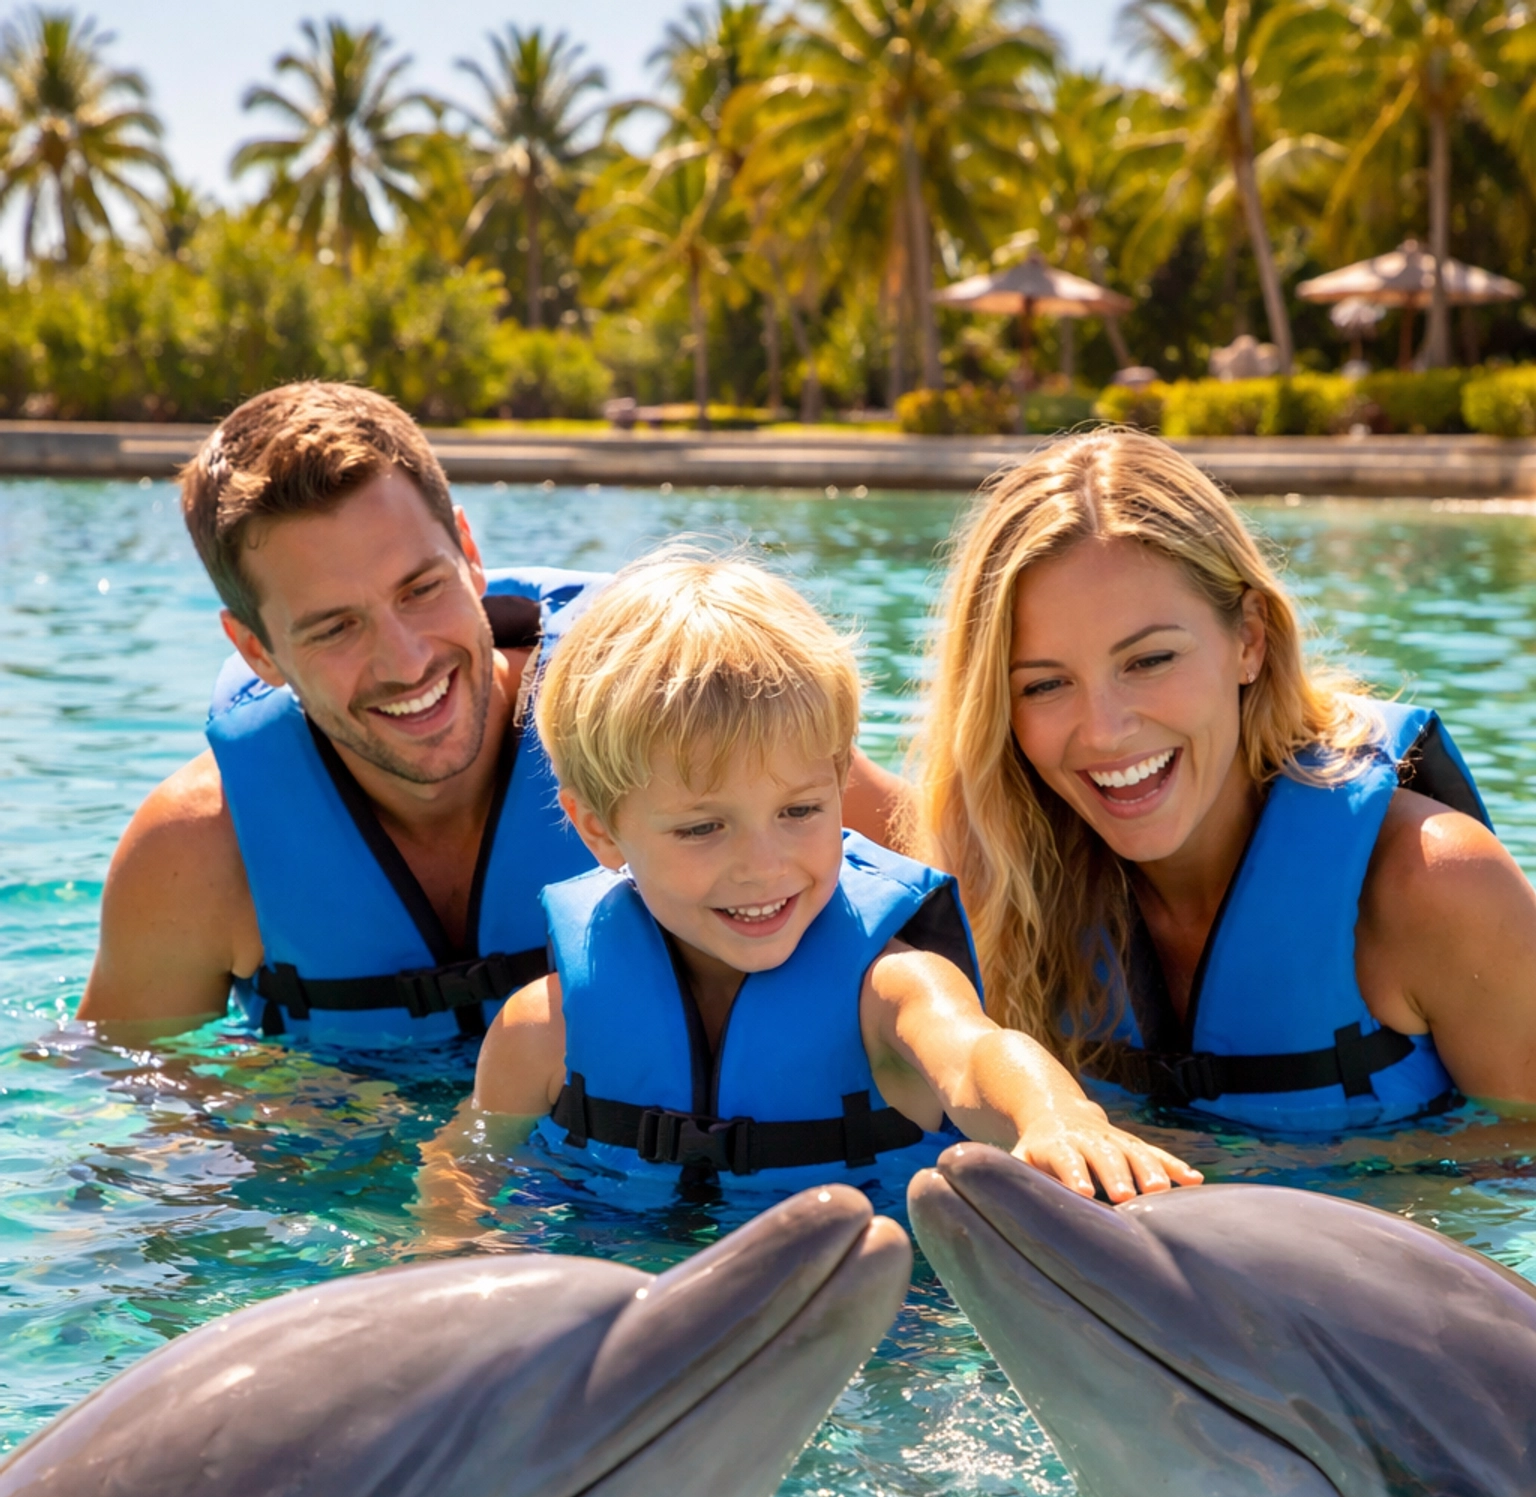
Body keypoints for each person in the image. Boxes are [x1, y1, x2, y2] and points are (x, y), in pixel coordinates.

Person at [76, 379, 911, 1048]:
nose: (406, 661)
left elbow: (984, 901)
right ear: (255, 649)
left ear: (471, 555)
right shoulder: (196, 855)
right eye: (334, 627)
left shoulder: (671, 731)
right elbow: (133, 1127)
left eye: (422, 588)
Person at [467, 549, 1202, 1206]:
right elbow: (470, 1170)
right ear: (598, 829)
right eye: (702, 827)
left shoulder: (890, 989)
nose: (763, 866)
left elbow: (975, 1054)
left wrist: (1055, 1116)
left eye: (800, 811)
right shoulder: (542, 1032)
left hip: (883, 1317)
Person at [916, 428, 1536, 1133]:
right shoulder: (1000, 875)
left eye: (1149, 660)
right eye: (1046, 684)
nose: (1105, 730)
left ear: (1249, 638)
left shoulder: (1435, 886)